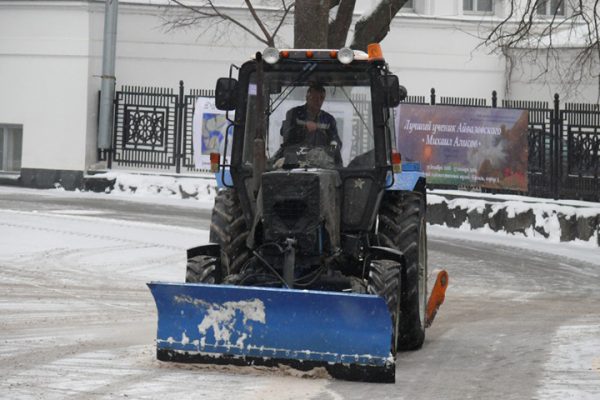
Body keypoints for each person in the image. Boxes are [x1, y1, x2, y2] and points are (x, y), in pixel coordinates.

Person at [275, 83, 343, 166]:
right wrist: (303, 128)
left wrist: (333, 146)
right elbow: (286, 135)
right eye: (314, 98)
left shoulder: (329, 119)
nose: (318, 101)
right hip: (294, 160)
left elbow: (335, 139)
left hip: (320, 161)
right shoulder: (294, 114)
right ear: (307, 98)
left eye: (321, 98)